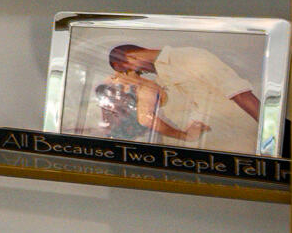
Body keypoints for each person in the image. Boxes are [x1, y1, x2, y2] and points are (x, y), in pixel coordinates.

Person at [107, 42, 261, 152]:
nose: (136, 75)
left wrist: (271, 134)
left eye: (127, 70)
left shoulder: (190, 57)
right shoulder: (159, 79)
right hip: (204, 150)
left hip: (239, 144)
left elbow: (240, 93)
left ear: (132, 58)